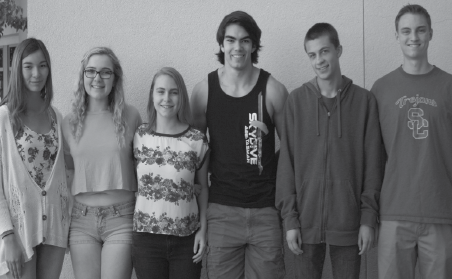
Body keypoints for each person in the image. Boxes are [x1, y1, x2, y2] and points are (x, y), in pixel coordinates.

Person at [276, 23, 383, 279]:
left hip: (349, 224)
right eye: (312, 55)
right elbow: (286, 164)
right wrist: (290, 220)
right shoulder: (296, 101)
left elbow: (373, 165)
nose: (319, 60)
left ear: (339, 50)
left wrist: (368, 219)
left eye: (324, 52)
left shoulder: (364, 102)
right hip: (304, 224)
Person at [190, 10, 288, 279]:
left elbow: (292, 150)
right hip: (221, 209)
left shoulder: (273, 90)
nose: (237, 47)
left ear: (254, 45)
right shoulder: (203, 91)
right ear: (221, 45)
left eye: (245, 40)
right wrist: (202, 217)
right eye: (231, 40)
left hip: (266, 210)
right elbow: (195, 158)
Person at [371, 4, 452, 279]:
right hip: (394, 211)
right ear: (396, 35)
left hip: (441, 211)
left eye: (420, 30)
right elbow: (373, 157)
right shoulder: (381, 90)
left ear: (430, 33)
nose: (413, 37)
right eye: (406, 31)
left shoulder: (449, 87)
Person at [62, 47, 142, 279]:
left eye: (105, 72)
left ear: (115, 78)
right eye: (91, 71)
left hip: (122, 218)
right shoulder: (68, 123)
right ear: (83, 76)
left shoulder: (131, 117)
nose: (97, 78)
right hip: (81, 219)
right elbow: (68, 174)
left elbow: (142, 168)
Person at [0, 38, 70, 279]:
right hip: (19, 231)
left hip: (55, 226)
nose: (36, 73)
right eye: (28, 66)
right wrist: (6, 235)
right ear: (18, 69)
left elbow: (65, 171)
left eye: (42, 65)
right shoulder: (4, 117)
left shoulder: (56, 117)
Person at [131, 67, 209, 279]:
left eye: (174, 92)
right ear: (152, 95)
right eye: (161, 91)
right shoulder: (140, 136)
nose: (167, 98)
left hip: (187, 238)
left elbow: (203, 190)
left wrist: (203, 230)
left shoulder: (196, 140)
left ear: (181, 96)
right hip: (146, 239)